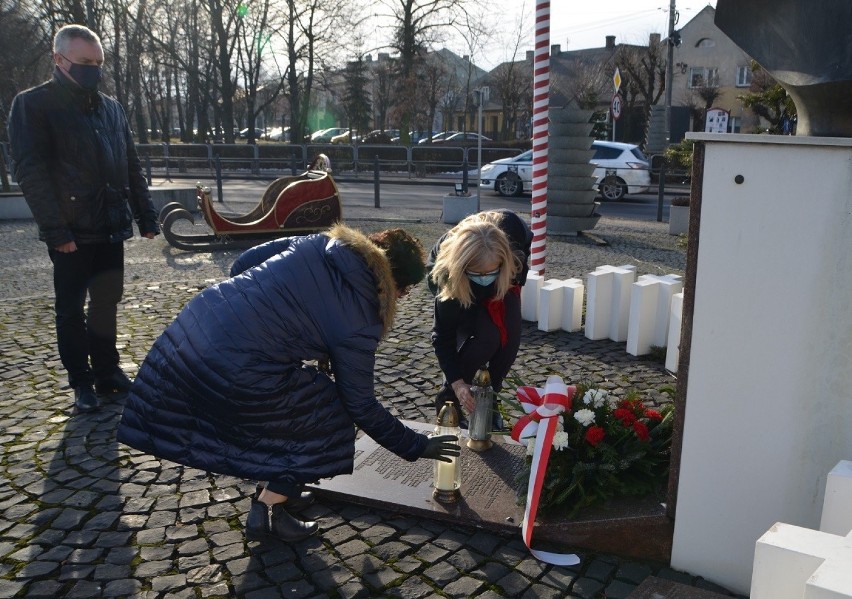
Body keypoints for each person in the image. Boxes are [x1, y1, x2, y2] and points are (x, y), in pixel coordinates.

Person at [117, 224, 459, 542]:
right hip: (239, 366)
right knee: (328, 411)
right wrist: (416, 446)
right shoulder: (362, 315)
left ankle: (284, 485)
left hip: (192, 328)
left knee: (292, 407)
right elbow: (360, 405)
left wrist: (279, 318)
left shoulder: (319, 243)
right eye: (405, 290)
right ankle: (268, 508)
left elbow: (242, 264)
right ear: (393, 284)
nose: (402, 297)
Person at [7, 24, 160, 413]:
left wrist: (145, 214)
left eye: (98, 62)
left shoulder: (111, 107)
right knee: (70, 309)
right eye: (84, 62)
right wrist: (56, 230)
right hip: (71, 231)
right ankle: (82, 382)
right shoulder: (33, 104)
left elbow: (130, 164)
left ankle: (108, 371)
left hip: (109, 225)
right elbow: (30, 171)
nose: (93, 69)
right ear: (59, 60)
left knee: (107, 303)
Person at [427, 210, 532, 429]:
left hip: (505, 278)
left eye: (489, 273)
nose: (484, 279)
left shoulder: (514, 233)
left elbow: (514, 272)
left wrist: (502, 279)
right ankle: (449, 398)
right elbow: (442, 336)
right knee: (487, 338)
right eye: (478, 274)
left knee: (509, 337)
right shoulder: (447, 276)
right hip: (460, 287)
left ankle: (490, 396)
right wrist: (457, 383)